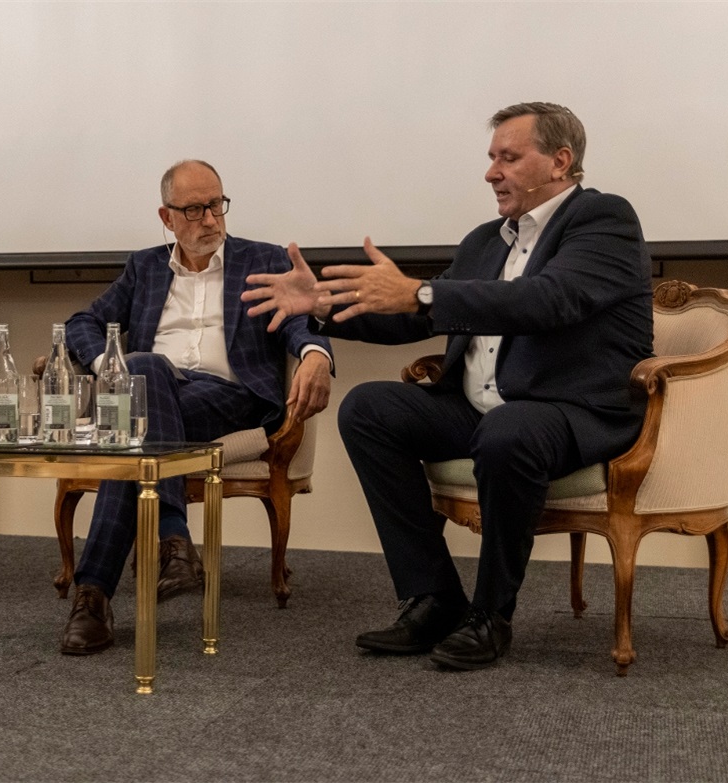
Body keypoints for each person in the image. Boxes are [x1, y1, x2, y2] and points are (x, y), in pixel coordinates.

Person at [242, 102, 653, 670]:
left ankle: (491, 616)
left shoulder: (604, 220)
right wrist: (322, 307)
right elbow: (414, 318)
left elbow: (552, 299)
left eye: (508, 158)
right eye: (491, 158)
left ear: (561, 161)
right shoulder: (486, 241)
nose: (491, 173)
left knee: (509, 431)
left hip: (571, 409)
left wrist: (423, 293)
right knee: (369, 408)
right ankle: (432, 596)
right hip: (478, 406)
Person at [59, 159, 334, 655]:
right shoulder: (143, 267)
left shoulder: (262, 260)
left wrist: (316, 353)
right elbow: (83, 321)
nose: (209, 219)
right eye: (194, 210)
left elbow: (299, 323)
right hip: (157, 394)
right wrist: (107, 364)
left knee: (138, 396)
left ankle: (96, 593)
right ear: (167, 218)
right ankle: (166, 549)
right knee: (143, 381)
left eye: (216, 205)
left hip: (233, 396)